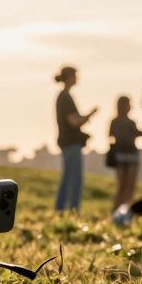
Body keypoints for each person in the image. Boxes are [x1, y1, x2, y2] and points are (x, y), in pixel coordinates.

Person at [53, 66, 95, 212]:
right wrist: (90, 115)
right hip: (70, 143)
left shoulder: (63, 97)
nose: (77, 78)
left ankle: (62, 209)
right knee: (73, 179)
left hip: (67, 143)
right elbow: (74, 121)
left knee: (68, 177)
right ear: (70, 77)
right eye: (75, 75)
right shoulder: (65, 97)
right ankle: (71, 209)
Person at [108, 96, 141, 210]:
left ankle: (126, 209)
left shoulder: (123, 122)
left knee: (128, 186)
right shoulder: (119, 122)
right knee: (124, 186)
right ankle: (118, 209)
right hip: (123, 155)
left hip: (126, 155)